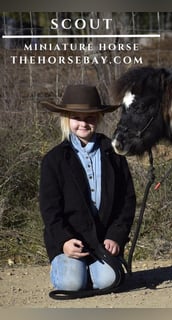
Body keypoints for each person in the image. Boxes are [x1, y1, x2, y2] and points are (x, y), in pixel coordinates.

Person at [39, 84, 136, 291]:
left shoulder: (114, 155)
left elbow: (127, 200)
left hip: (103, 242)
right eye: (76, 117)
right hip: (70, 243)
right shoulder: (54, 160)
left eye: (90, 117)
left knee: (108, 281)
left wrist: (116, 236)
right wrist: (64, 241)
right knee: (70, 284)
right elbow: (50, 211)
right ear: (66, 118)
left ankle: (94, 271)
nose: (83, 123)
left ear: (99, 118)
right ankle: (69, 269)